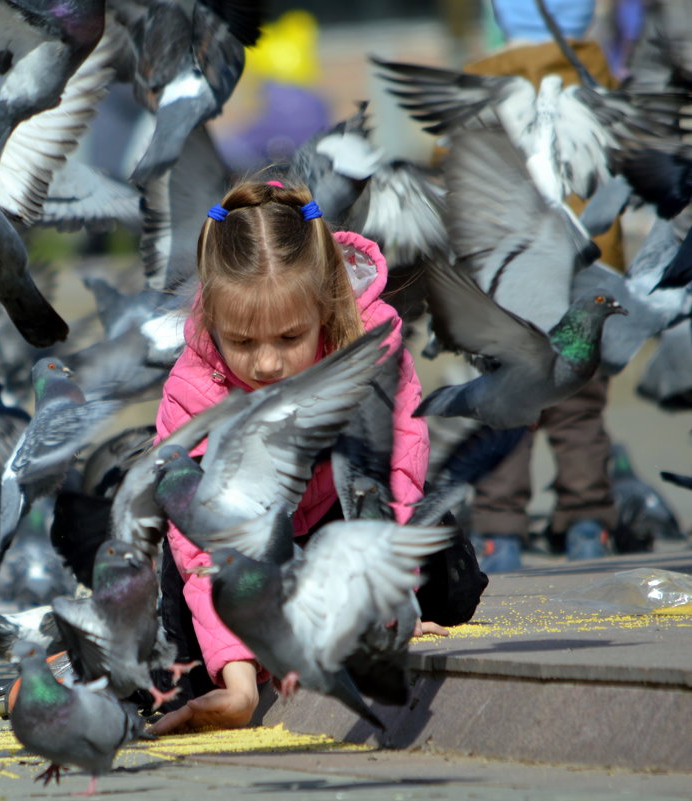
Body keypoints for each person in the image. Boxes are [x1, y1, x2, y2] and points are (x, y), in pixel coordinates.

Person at [148, 180, 452, 735]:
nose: (266, 364)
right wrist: (239, 683)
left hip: (343, 511)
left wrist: (391, 603)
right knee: (189, 665)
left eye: (290, 337)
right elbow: (204, 545)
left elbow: (397, 473)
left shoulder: (372, 346)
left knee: (452, 585)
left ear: (327, 308)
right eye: (241, 341)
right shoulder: (194, 388)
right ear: (213, 322)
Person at [465, 0, 640, 571]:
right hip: (583, 278)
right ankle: (588, 524)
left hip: (509, 285)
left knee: (508, 405)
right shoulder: (600, 75)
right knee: (579, 411)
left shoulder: (484, 82)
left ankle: (499, 535)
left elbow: (455, 164)